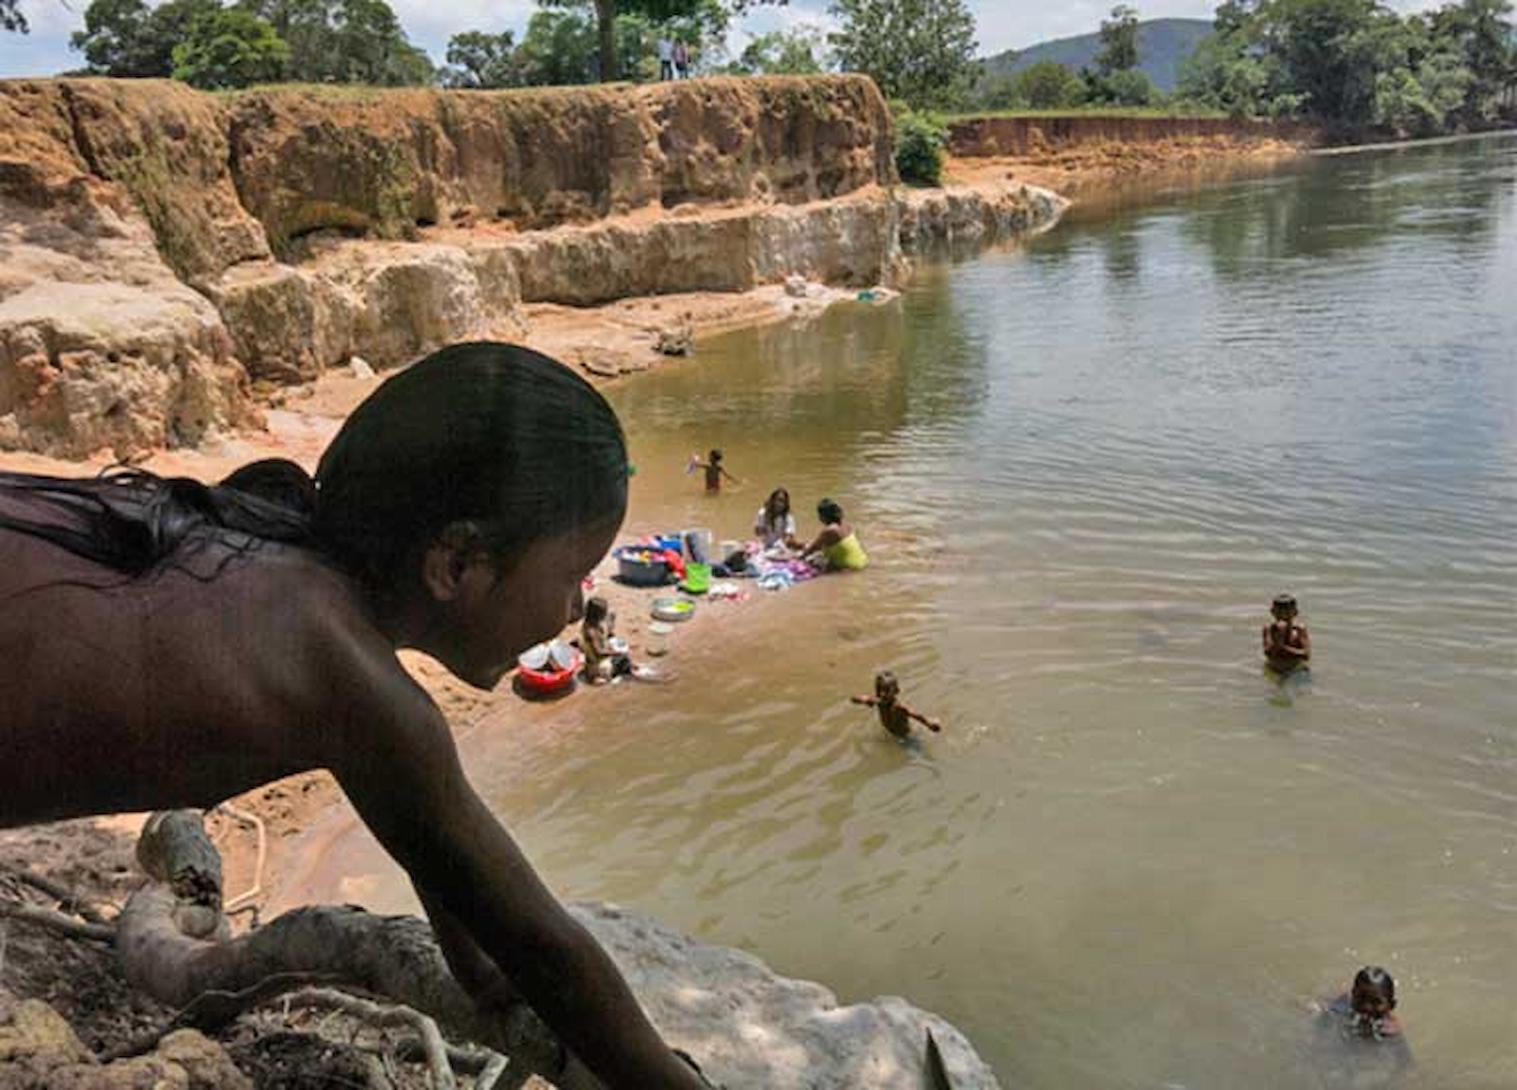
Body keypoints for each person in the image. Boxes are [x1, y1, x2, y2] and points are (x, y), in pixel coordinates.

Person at [0, 343, 711, 1090]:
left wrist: (487, 949)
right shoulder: (349, 681)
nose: (573, 608)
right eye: (572, 576)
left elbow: (479, 947)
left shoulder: (283, 561)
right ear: (456, 563)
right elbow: (544, 953)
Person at [1312, 967, 1414, 1077]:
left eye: (1376, 1002)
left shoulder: (1390, 1029)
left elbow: (1407, 1065)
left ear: (1391, 1006)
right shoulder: (1339, 1009)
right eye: (1361, 998)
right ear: (1353, 996)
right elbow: (1319, 1030)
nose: (1367, 1006)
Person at [851, 671, 941, 741]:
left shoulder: (899, 707)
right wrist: (861, 699)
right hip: (890, 733)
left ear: (896, 691)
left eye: (887, 691)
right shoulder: (878, 701)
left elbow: (916, 715)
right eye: (880, 690)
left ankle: (933, 722)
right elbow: (854, 699)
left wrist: (929, 724)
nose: (883, 694)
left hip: (905, 737)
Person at [803, 497, 868, 571]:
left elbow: (811, 549)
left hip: (848, 569)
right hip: (863, 563)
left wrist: (798, 558)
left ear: (822, 516)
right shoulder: (847, 525)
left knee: (812, 563)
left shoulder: (830, 530)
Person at [580, 596, 632, 683]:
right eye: (604, 612)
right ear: (598, 614)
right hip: (599, 666)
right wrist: (616, 652)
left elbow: (605, 638)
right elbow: (599, 652)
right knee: (624, 659)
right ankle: (608, 676)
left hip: (592, 663)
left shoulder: (589, 625)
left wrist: (611, 627)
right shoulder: (592, 631)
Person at [1263, 592, 1311, 674]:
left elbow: (1306, 655)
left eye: (1287, 614)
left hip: (1296, 669)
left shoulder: (1299, 629)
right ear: (1272, 612)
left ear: (1295, 613)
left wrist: (1282, 647)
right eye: (1279, 614)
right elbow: (1268, 653)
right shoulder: (1269, 629)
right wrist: (1280, 636)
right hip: (1274, 670)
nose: (1283, 616)